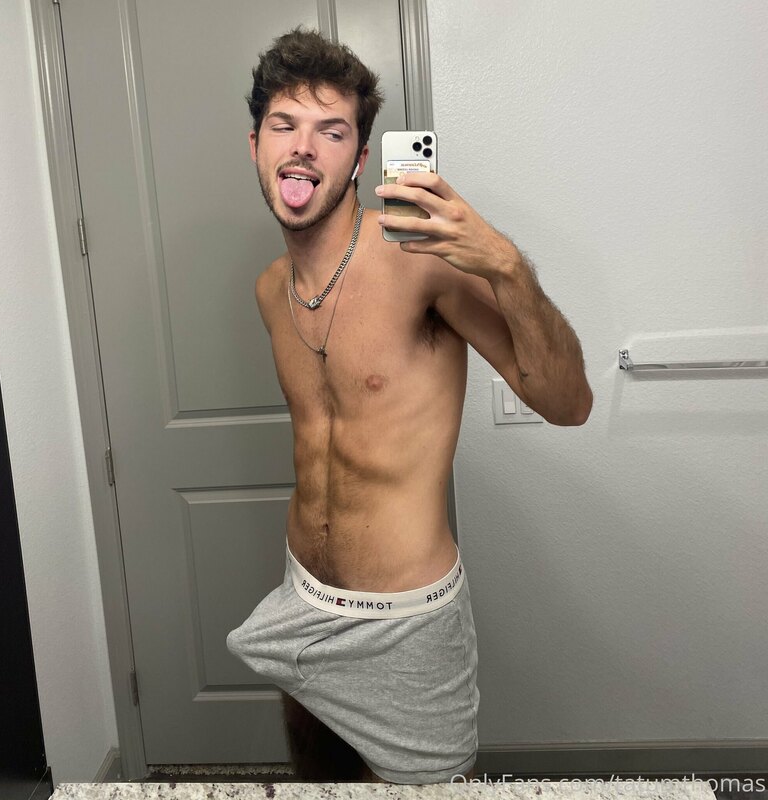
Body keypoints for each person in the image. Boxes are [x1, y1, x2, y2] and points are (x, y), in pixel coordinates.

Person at [227, 27, 592, 785]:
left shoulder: (422, 265)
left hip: (407, 627)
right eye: (285, 126)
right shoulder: (269, 290)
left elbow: (568, 403)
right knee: (318, 782)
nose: (304, 148)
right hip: (305, 601)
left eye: (332, 132)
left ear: (361, 159)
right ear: (256, 145)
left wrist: (506, 267)